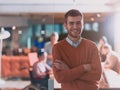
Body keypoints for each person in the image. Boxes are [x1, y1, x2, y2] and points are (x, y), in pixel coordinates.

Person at [52, 9, 102, 90]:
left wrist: (69, 70)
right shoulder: (58, 48)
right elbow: (60, 77)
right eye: (71, 23)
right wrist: (83, 68)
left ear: (83, 24)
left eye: (78, 23)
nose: (75, 27)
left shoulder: (92, 46)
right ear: (65, 25)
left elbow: (97, 75)